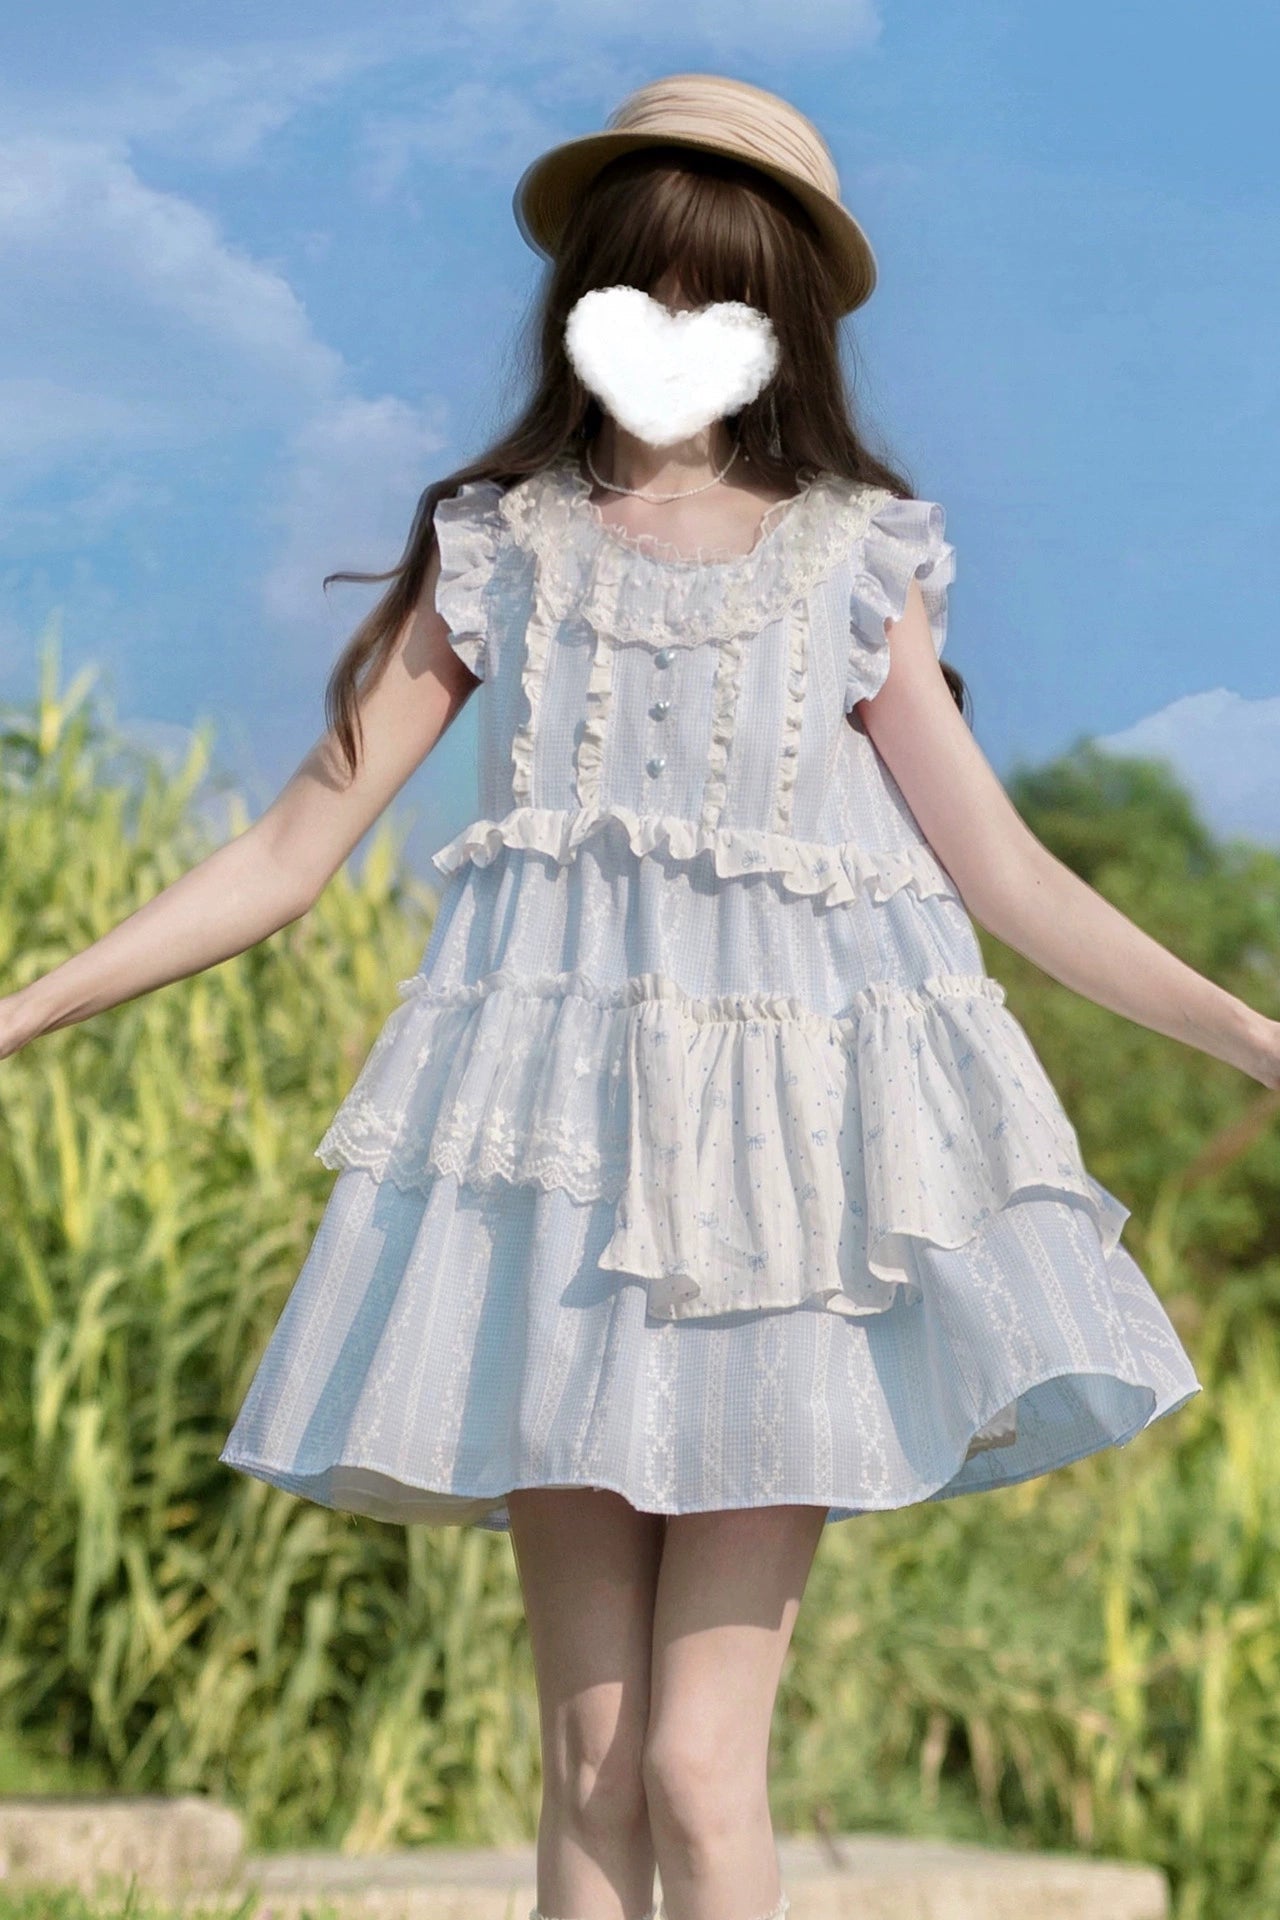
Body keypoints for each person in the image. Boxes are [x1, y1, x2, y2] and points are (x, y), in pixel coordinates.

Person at [3, 68, 1277, 1920]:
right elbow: (290, 848)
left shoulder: (852, 556)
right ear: (580, 298)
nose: (673, 320)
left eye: (719, 288)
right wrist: (28, 1007)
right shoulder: (501, 547)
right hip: (555, 1188)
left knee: (694, 1763)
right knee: (593, 1763)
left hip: (788, 1201)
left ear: (783, 321)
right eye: (641, 280)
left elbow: (1004, 876)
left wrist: (1252, 1036)